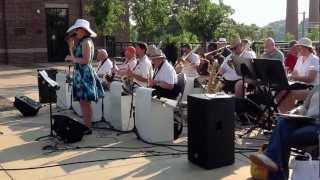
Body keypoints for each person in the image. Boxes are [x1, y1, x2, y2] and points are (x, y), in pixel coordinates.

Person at [249, 85, 319, 180]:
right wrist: (293, 112)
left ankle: (274, 167)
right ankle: (272, 161)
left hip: (317, 126)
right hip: (306, 121)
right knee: (283, 122)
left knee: (283, 136)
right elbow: (304, 107)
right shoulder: (318, 87)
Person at [65, 19, 104, 135]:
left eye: (77, 29)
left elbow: (86, 60)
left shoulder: (86, 42)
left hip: (85, 74)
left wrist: (72, 58)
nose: (75, 31)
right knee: (83, 102)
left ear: (83, 30)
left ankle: (88, 127)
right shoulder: (82, 42)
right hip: (80, 73)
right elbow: (76, 61)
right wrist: (71, 48)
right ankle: (86, 125)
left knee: (85, 102)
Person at [277, 37, 319, 113]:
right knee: (280, 92)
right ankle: (285, 115)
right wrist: (291, 75)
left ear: (306, 48)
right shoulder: (300, 58)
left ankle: (289, 117)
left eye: (299, 47)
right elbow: (295, 72)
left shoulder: (314, 59)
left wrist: (295, 77)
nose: (298, 49)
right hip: (300, 85)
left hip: (312, 89)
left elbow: (310, 78)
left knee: (288, 93)